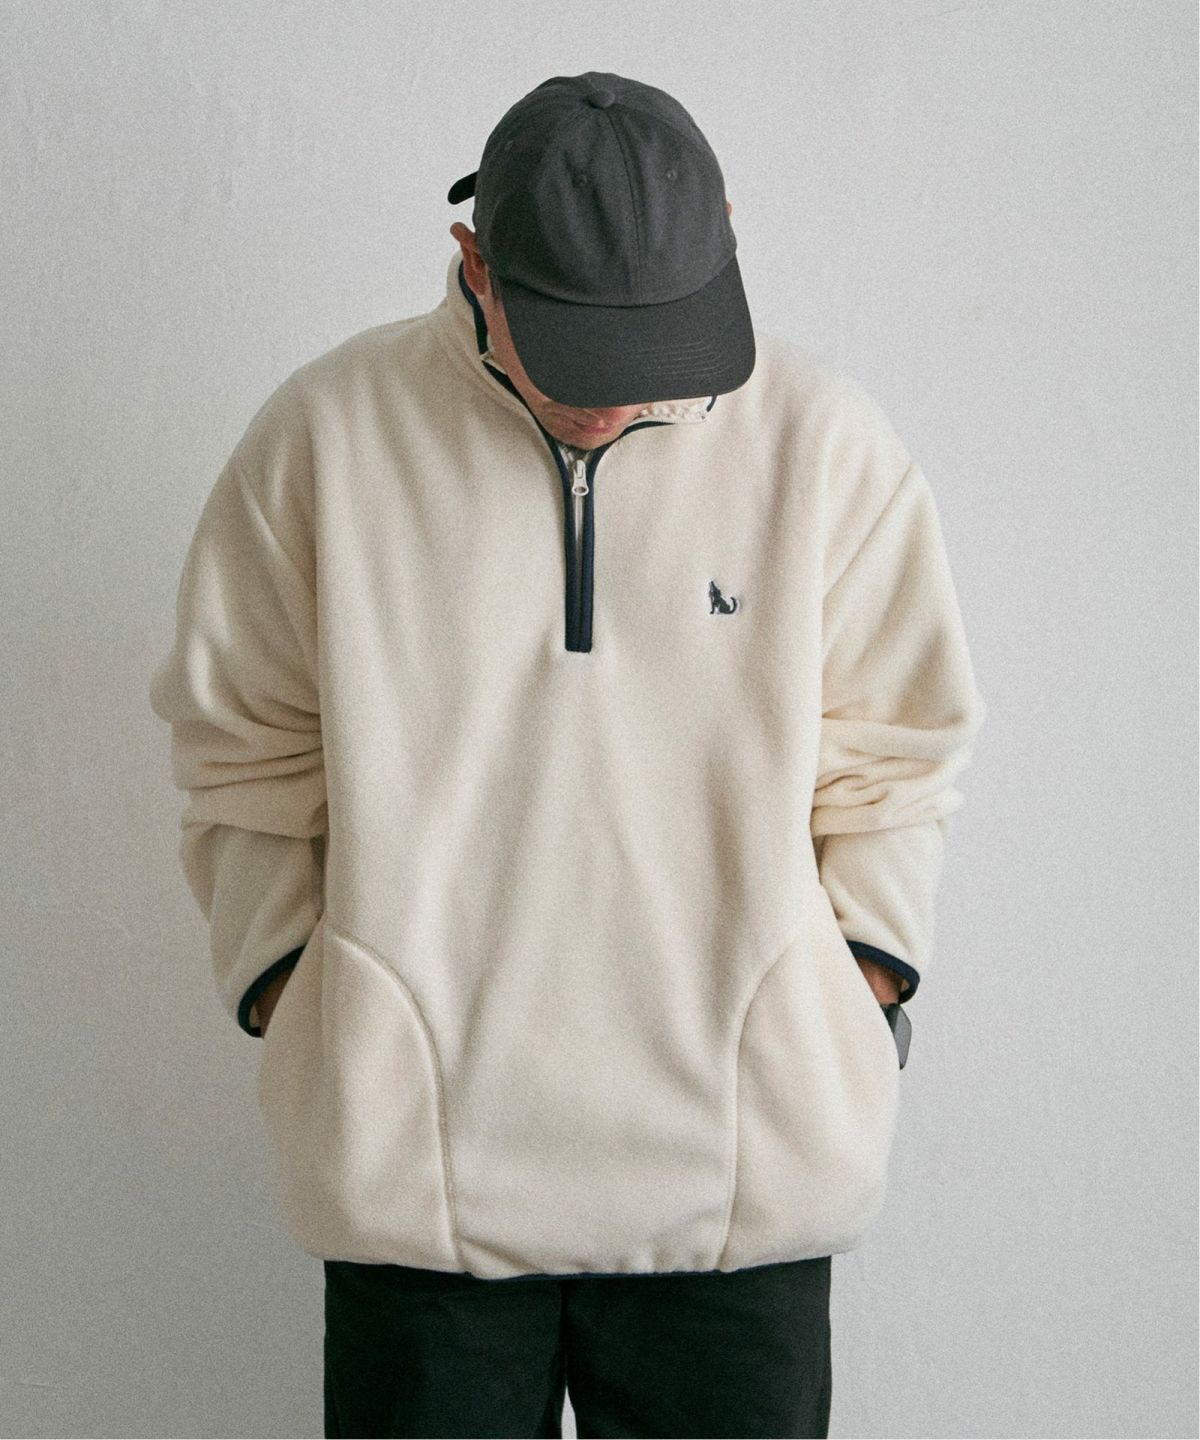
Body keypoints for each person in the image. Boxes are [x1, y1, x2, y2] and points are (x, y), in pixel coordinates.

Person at [149, 70, 986, 1439]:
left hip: (745, 1184)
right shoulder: (326, 438)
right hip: (417, 1189)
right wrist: (298, 995)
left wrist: (856, 984)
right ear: (475, 262)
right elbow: (240, 742)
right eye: (575, 349)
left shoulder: (824, 446)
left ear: (724, 241)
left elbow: (899, 748)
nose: (613, 396)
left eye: (651, 345)